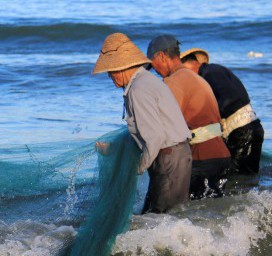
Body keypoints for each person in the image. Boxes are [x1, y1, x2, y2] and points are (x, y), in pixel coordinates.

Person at [93, 33, 192, 213]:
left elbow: (155, 137)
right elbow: (145, 133)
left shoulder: (138, 89)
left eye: (110, 71)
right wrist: (113, 149)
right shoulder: (144, 81)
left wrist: (137, 168)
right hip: (174, 156)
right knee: (160, 217)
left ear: (121, 67)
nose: (109, 77)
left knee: (162, 220)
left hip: (169, 158)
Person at [147, 35, 231, 199]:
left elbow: (164, 124)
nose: (155, 71)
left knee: (189, 214)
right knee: (212, 214)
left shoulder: (173, 81)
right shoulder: (196, 77)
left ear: (162, 57)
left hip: (203, 158)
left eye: (153, 64)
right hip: (221, 155)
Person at [180, 48, 264, 175]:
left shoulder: (209, 74)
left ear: (191, 65)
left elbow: (228, 99)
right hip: (251, 127)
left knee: (237, 179)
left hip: (242, 132)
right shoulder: (215, 70)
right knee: (247, 177)